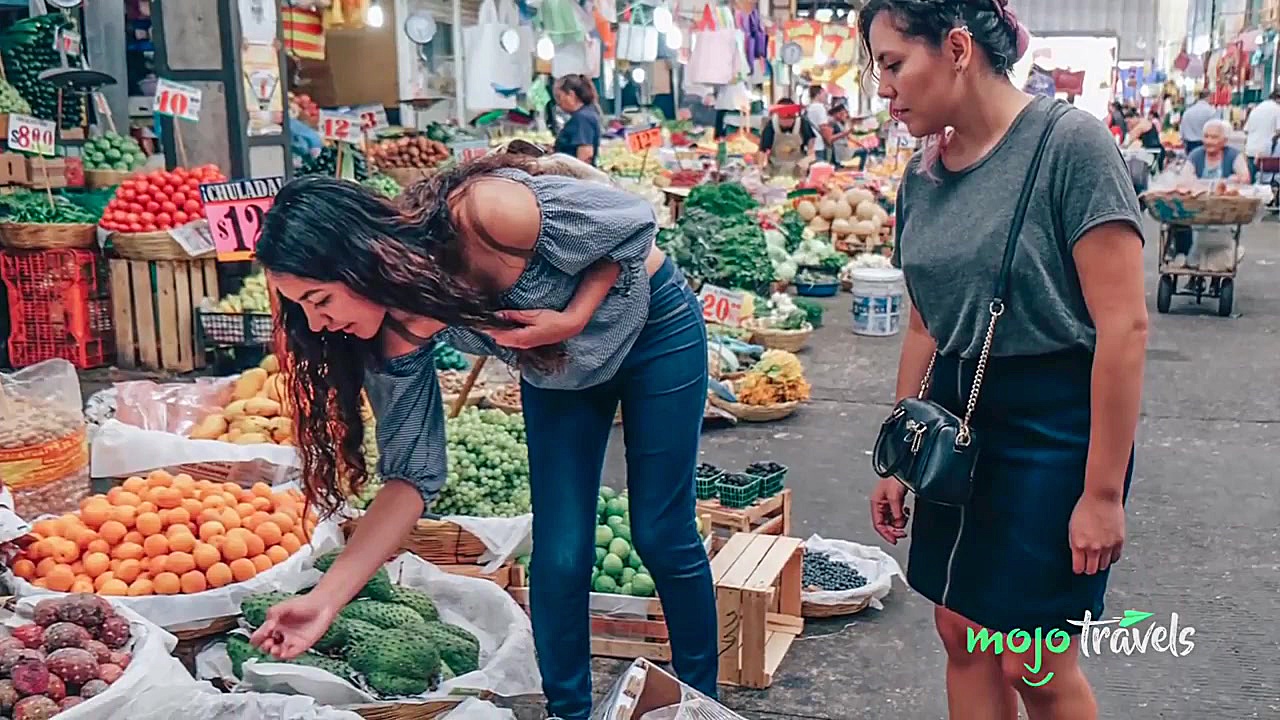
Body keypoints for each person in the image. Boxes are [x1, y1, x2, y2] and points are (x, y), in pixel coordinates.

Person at [246, 155, 718, 720]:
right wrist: (323, 602)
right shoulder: (391, 340)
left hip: (654, 331)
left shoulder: (483, 216)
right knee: (560, 552)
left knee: (662, 533)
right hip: (558, 370)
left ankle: (700, 704)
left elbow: (633, 225)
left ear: (360, 261)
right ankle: (569, 713)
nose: (318, 325)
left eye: (320, 301)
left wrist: (572, 317)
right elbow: (411, 479)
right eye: (303, 309)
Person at [860, 2, 1146, 719]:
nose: (883, 87)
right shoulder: (921, 177)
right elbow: (925, 321)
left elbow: (1125, 328)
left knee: (1035, 661)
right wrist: (903, 445)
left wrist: (1103, 494)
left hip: (1051, 424)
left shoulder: (1070, 146)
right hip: (955, 417)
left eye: (893, 64)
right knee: (960, 631)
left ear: (956, 48)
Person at [1165, 118, 1251, 270]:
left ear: (1224, 140)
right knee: (1178, 220)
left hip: (1223, 210)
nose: (1209, 141)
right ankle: (1182, 256)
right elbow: (1185, 178)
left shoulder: (1234, 155)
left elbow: (1244, 177)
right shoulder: (1196, 155)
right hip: (1197, 207)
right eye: (1206, 136)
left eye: (1214, 137)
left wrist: (1231, 181)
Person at [756, 100, 819, 176]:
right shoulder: (771, 126)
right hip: (775, 169)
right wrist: (760, 169)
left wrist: (807, 161)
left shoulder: (803, 124)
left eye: (790, 117)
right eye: (783, 118)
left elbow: (811, 151)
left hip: (798, 168)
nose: (787, 121)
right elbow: (762, 150)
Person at [552, 74, 602, 166]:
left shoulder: (582, 118)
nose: (558, 103)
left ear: (571, 95)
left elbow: (585, 155)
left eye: (559, 97)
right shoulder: (586, 113)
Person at [1243, 89, 1280, 184]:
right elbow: (1278, 131)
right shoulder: (1277, 109)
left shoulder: (1256, 109)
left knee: (1251, 184)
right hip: (1267, 155)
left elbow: (1246, 130)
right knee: (1266, 185)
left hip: (1251, 151)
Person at [1180, 90, 1216, 155]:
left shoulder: (1188, 111)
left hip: (1190, 143)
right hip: (1205, 143)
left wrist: (1183, 140)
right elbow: (1215, 129)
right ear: (1208, 97)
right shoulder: (1211, 111)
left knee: (1191, 164)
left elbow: (1182, 128)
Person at [805, 84, 829, 156]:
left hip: (809, 145)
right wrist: (829, 141)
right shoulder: (819, 107)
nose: (826, 98)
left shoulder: (809, 107)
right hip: (818, 145)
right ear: (819, 93)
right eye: (825, 95)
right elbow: (823, 127)